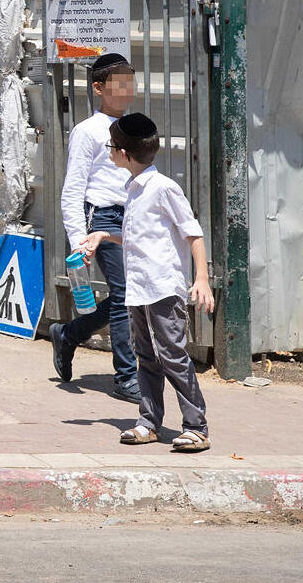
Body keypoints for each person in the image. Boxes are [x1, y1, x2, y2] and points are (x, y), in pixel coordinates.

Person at [80, 113, 212, 453]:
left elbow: (193, 233)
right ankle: (149, 422)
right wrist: (102, 236)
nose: (109, 152)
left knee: (172, 355)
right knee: (146, 356)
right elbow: (137, 238)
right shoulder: (133, 188)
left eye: (111, 147)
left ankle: (196, 426)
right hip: (138, 288)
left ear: (124, 153)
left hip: (163, 288)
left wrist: (201, 279)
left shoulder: (163, 188)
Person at [52, 53, 140, 404]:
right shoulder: (87, 131)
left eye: (129, 80)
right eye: (118, 82)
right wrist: (78, 242)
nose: (125, 88)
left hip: (133, 218)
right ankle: (127, 377)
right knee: (124, 295)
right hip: (102, 219)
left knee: (130, 295)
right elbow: (72, 189)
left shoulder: (136, 125)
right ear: (99, 88)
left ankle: (69, 334)